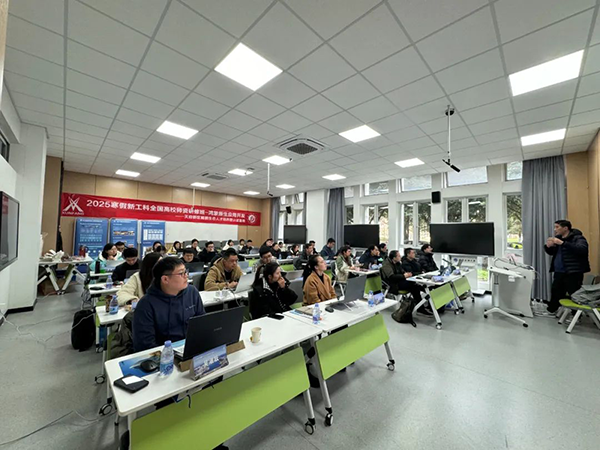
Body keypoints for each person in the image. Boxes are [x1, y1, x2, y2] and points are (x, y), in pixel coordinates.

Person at [133, 257, 204, 352]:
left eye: (186, 272)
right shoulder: (146, 305)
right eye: (181, 273)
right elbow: (145, 345)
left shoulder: (192, 292)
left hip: (191, 348)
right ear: (165, 279)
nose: (186, 276)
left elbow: (201, 323)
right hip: (164, 354)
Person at [543, 220, 590, 315]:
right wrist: (548, 247)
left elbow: (582, 250)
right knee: (556, 291)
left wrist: (562, 243)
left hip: (573, 272)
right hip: (559, 271)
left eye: (557, 227)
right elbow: (552, 253)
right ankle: (552, 310)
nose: (555, 229)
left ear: (565, 228)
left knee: (574, 293)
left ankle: (576, 315)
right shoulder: (558, 238)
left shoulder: (578, 237)